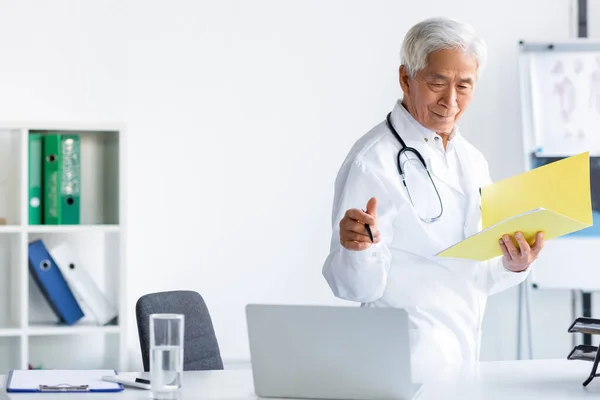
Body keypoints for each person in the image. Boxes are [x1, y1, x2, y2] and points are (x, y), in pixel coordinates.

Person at [322, 17, 545, 380]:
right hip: (399, 365)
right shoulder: (372, 161)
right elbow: (353, 288)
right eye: (437, 82)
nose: (451, 101)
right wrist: (357, 250)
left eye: (465, 85)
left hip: (463, 358)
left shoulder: (471, 160)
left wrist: (514, 265)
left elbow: (478, 274)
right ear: (406, 78)